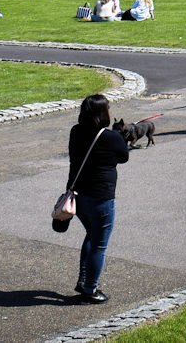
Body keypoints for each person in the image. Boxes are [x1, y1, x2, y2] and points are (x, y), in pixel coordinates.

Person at [64, 93, 130, 304]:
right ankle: (90, 289)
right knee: (99, 244)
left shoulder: (76, 132)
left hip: (78, 195)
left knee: (91, 234)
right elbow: (124, 157)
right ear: (103, 113)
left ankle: (84, 279)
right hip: (101, 197)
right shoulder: (111, 137)